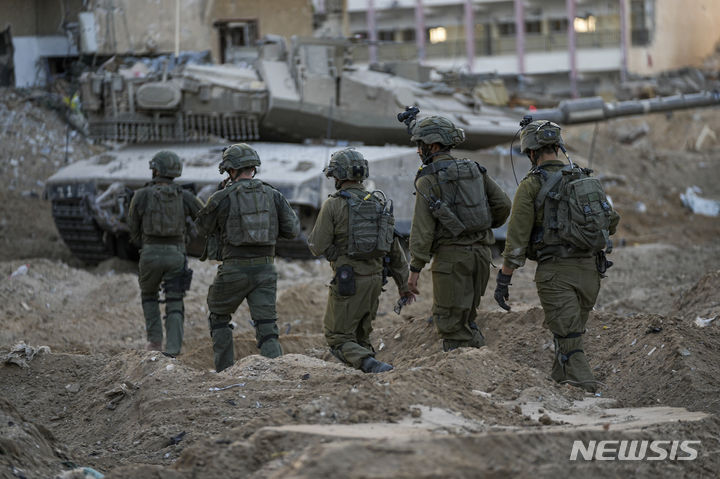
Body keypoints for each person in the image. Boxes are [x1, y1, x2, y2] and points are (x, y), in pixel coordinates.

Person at [494, 119, 620, 392]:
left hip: (555, 276)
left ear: (531, 153)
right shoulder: (584, 178)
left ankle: (590, 393)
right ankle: (559, 385)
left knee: (570, 341)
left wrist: (504, 279)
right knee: (569, 337)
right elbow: (611, 221)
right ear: (558, 147)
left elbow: (516, 240)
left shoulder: (530, 186)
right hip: (590, 274)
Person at [407, 116, 511, 352]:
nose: (418, 151)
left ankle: (465, 379)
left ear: (432, 146)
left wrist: (414, 271)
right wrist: (482, 227)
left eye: (420, 145)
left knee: (452, 326)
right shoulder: (474, 169)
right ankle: (480, 366)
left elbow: (422, 231)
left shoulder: (428, 179)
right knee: (467, 319)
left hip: (451, 261)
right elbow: (504, 204)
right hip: (482, 256)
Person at [195, 143, 300, 373]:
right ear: (254, 168)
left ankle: (225, 371)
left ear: (230, 170)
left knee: (219, 317)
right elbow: (292, 230)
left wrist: (219, 195)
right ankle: (275, 371)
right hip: (266, 269)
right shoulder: (273, 194)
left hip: (233, 270)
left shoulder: (222, 196)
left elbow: (201, 229)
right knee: (267, 325)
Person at [308, 148, 414, 373]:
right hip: (375, 280)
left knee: (338, 338)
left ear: (338, 176)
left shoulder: (334, 204)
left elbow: (317, 245)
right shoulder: (378, 203)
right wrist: (404, 286)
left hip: (349, 281)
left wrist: (335, 253)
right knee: (360, 336)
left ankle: (373, 366)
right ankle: (368, 378)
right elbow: (394, 250)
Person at [128, 150, 203, 356]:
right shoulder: (185, 196)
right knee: (175, 300)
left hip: (150, 253)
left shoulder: (141, 195)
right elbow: (204, 217)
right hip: (176, 254)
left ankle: (154, 344)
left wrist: (146, 245)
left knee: (149, 295)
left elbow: (132, 228)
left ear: (156, 170)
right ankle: (173, 349)